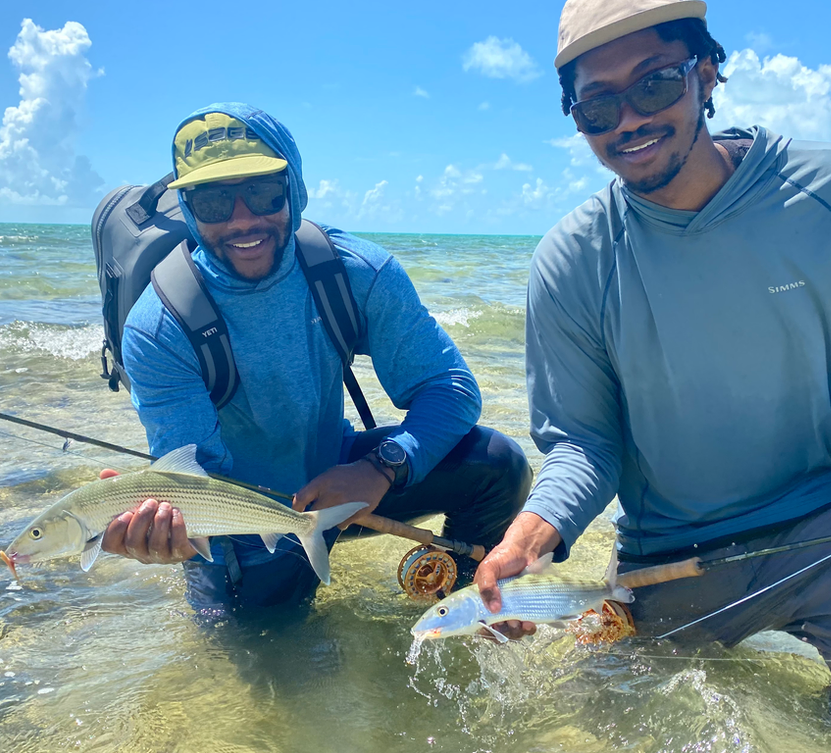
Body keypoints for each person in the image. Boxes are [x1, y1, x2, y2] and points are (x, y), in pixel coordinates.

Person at [474, 1, 831, 750]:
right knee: (603, 725)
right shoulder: (569, 261)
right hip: (669, 555)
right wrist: (532, 533)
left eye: (653, 85)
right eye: (596, 105)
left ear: (706, 75)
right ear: (576, 118)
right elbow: (585, 442)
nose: (627, 119)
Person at [100, 103, 531, 613]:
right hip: (239, 519)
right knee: (272, 666)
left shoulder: (355, 272)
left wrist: (380, 469)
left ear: (295, 187)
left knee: (498, 465)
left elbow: (451, 388)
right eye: (214, 201)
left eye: (262, 191)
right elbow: (199, 478)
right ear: (189, 209)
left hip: (339, 477)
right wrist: (163, 531)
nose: (242, 219)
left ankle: (448, 605)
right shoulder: (157, 327)